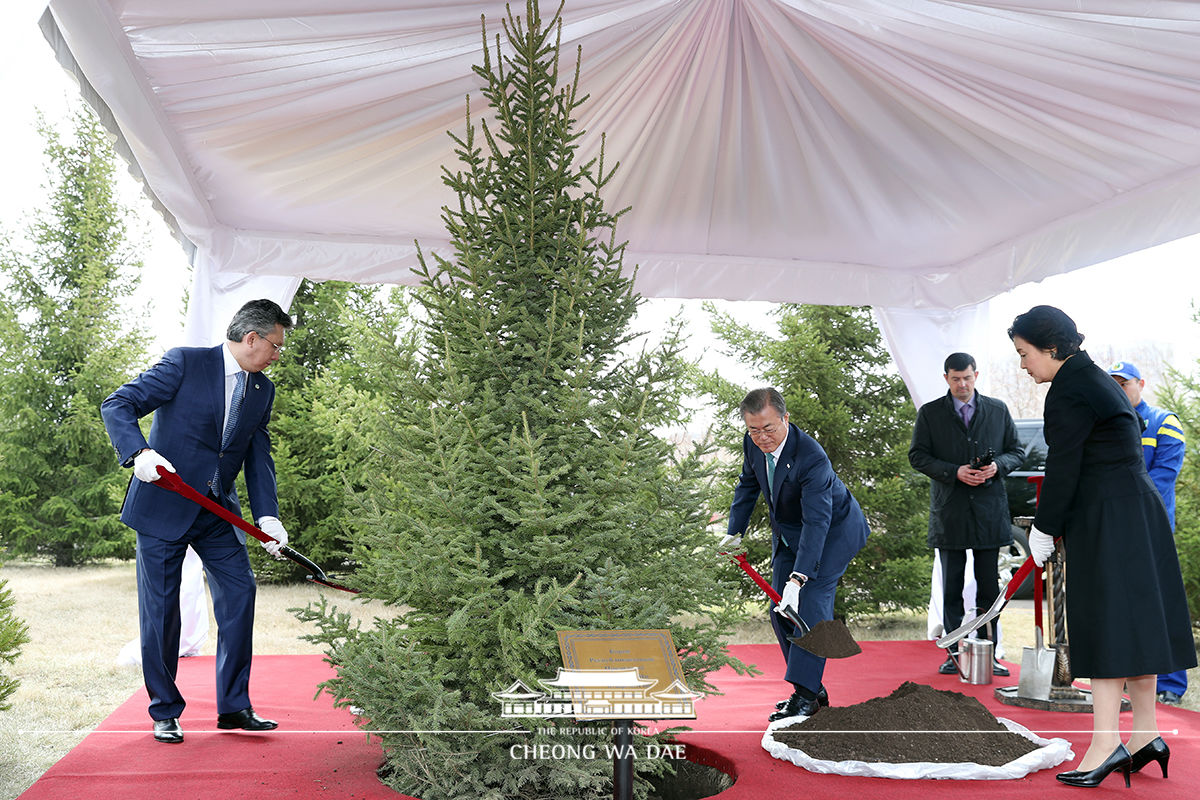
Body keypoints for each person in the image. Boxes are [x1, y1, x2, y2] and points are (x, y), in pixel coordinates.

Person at [1009, 305, 1194, 788]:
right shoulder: (1095, 379)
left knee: (1110, 627)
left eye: (1025, 354)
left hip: (1111, 519)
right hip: (1134, 514)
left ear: (1051, 349)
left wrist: (1045, 527)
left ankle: (1105, 743)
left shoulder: (1070, 389)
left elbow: (1065, 467)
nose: (1023, 365)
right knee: (1135, 625)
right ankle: (1145, 734)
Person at [101, 299, 294, 744]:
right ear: (252, 338)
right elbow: (119, 404)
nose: (277, 355)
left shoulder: (262, 390)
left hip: (217, 512)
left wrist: (268, 514)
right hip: (164, 506)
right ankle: (165, 710)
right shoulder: (185, 363)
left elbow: (256, 455)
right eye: (276, 346)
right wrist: (139, 452)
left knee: (240, 592)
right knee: (162, 613)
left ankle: (234, 706)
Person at [725, 388, 870, 721]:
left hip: (833, 533)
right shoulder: (753, 444)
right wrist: (734, 534)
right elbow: (747, 486)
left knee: (810, 606)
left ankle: (805, 697)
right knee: (781, 609)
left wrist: (800, 576)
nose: (761, 437)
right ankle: (812, 688)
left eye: (768, 428)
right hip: (791, 535)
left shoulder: (811, 456)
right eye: (753, 429)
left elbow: (817, 521)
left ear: (785, 419)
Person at [909, 352, 1024, 677]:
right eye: (956, 378)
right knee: (952, 590)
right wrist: (953, 471)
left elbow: (1016, 451)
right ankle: (953, 653)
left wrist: (996, 467)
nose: (962, 384)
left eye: (967, 378)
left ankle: (991, 652)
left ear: (977, 375)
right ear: (946, 378)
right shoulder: (930, 414)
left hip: (989, 514)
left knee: (990, 587)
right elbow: (917, 456)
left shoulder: (998, 409)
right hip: (951, 515)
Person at [1108, 360, 1189, 706]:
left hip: (1152, 528)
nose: (1119, 389)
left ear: (1141, 383)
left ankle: (1171, 684)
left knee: (1161, 604)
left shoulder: (1164, 422)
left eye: (1124, 383)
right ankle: (1134, 679)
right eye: (1113, 384)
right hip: (1116, 529)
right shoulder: (1109, 423)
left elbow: (1163, 476)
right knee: (1125, 605)